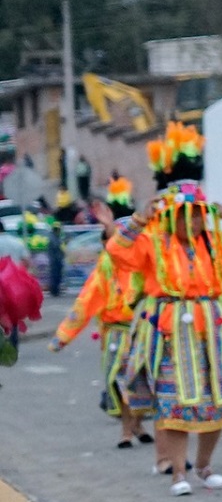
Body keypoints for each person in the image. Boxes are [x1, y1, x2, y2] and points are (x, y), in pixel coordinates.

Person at [106, 123, 222, 495]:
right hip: (169, 331)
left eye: (197, 214)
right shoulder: (152, 242)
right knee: (174, 404)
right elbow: (117, 251)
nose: (192, 221)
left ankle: (205, 466)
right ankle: (179, 472)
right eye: (185, 214)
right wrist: (139, 220)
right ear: (169, 215)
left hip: (210, 329)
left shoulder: (217, 241)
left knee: (217, 400)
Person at [50, 175, 154, 451]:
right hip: (115, 332)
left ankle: (134, 427)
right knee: (118, 382)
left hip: (143, 330)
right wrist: (63, 336)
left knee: (140, 382)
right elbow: (85, 303)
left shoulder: (147, 264)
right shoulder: (104, 271)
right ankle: (128, 429)